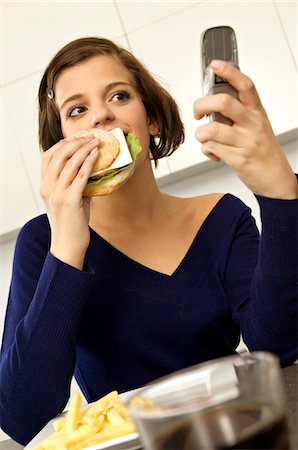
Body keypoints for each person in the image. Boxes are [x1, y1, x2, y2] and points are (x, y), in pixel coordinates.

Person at [0, 36, 297, 445]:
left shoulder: (223, 218)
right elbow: (21, 415)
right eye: (78, 110)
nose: (101, 116)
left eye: (119, 96)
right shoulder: (44, 241)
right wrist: (68, 248)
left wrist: (282, 195)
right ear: (62, 145)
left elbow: (279, 345)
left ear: (151, 121)